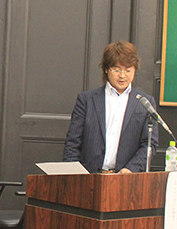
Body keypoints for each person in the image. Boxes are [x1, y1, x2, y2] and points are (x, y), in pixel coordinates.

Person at [63, 40, 158, 173]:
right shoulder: (87, 100)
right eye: (116, 70)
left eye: (128, 70)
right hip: (89, 176)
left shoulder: (145, 102)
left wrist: (131, 169)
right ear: (107, 69)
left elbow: (149, 144)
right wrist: (74, 174)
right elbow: (73, 142)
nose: (122, 75)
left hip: (125, 177)